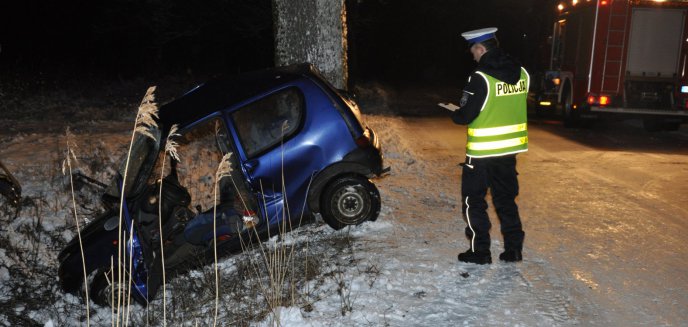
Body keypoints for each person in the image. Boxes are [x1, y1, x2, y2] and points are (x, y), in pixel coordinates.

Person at [441, 27, 529, 264]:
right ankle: (514, 250)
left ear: (481, 48)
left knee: (474, 201)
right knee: (506, 200)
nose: (473, 56)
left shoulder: (480, 77)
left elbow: (466, 116)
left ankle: (479, 252)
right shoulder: (522, 73)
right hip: (508, 151)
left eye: (473, 51)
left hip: (481, 153)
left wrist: (455, 113)